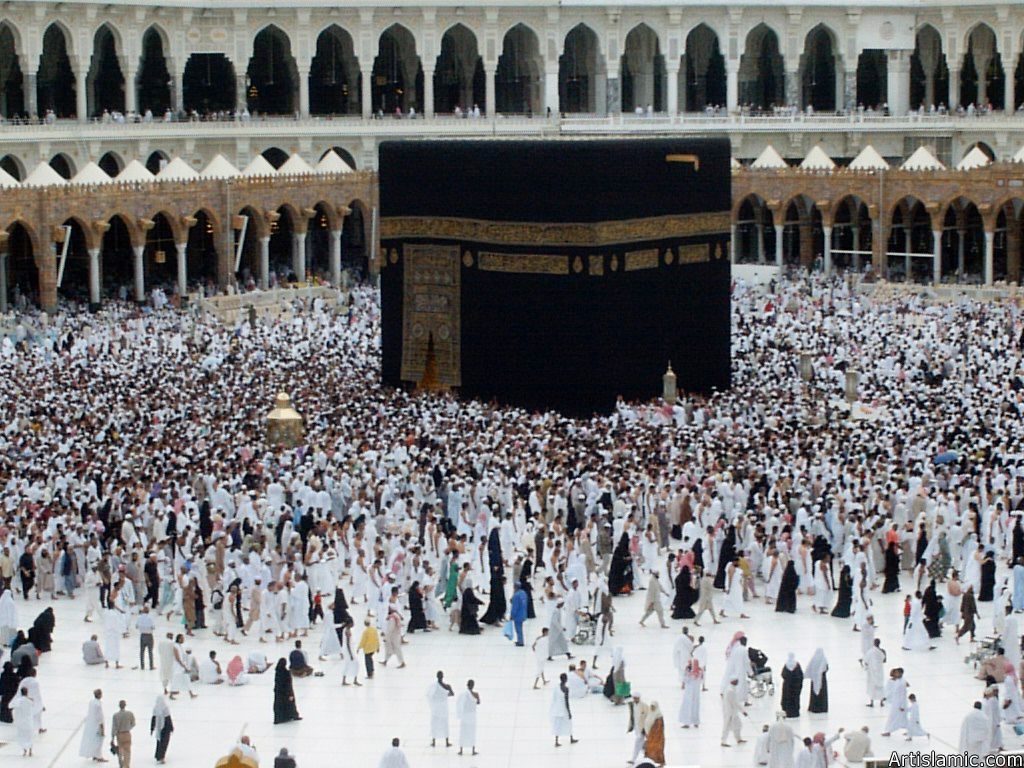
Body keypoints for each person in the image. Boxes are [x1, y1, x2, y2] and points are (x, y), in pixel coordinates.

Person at [427, 670, 455, 747]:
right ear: (442, 676)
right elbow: (452, 694)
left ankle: (434, 741)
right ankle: (446, 742)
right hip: (443, 708)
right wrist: (444, 695)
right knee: (444, 724)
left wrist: (441, 696)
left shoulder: (434, 686)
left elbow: (429, 695)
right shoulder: (447, 686)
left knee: (435, 724)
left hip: (436, 708)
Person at [550, 672, 577, 747]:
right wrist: (569, 712)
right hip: (563, 709)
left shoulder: (556, 687)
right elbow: (566, 701)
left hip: (557, 709)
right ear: (566, 680)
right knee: (569, 723)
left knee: (558, 725)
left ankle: (556, 741)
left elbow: (554, 698)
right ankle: (571, 738)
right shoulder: (566, 689)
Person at [79, 689, 106, 762]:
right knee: (99, 741)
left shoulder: (91, 702)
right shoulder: (98, 705)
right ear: (99, 695)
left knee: (93, 740)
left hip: (91, 725)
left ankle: (94, 754)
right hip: (97, 725)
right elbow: (99, 717)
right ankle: (99, 756)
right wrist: (102, 728)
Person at [273, 658, 301, 723]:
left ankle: (280, 718)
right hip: (286, 693)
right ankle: (291, 715)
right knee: (290, 705)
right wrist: (290, 694)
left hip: (279, 693)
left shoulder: (277, 672)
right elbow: (288, 685)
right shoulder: (286, 673)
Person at [456, 679, 480, 756]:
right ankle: (468, 750)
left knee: (467, 732)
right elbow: (478, 702)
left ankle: (464, 750)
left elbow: (459, 703)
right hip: (469, 715)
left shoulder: (466, 694)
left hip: (468, 715)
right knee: (467, 732)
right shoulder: (473, 694)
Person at [721, 678, 746, 747]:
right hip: (730, 713)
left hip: (733, 712)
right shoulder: (730, 691)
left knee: (738, 725)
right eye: (736, 680)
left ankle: (738, 739)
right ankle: (723, 741)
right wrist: (743, 711)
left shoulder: (731, 689)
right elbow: (735, 703)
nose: (738, 682)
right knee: (727, 727)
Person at [112, 699, 136, 768]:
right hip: (127, 733)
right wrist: (128, 728)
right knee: (127, 750)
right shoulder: (130, 714)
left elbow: (114, 727)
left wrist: (112, 737)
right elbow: (133, 723)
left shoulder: (115, 715)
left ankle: (121, 764)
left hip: (119, 734)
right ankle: (126, 765)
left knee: (120, 750)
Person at [678, 659, 702, 728]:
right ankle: (695, 722)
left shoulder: (689, 671)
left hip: (689, 693)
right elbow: (701, 680)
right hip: (694, 693)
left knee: (688, 706)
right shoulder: (699, 671)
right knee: (694, 707)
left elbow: (685, 679)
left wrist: (688, 675)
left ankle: (687, 723)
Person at [12, 685, 34, 756]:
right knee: (29, 736)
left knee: (22, 736)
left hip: (21, 721)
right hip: (28, 720)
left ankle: (24, 750)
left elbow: (10, 705)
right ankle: (30, 750)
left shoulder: (18, 701)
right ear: (27, 692)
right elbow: (33, 704)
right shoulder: (30, 700)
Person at [151, 695, 173, 764]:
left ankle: (158, 755)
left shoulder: (155, 708)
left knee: (159, 742)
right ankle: (162, 757)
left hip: (158, 728)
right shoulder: (165, 708)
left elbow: (153, 719)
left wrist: (152, 728)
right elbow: (168, 718)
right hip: (165, 729)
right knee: (164, 743)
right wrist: (171, 728)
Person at [805, 648, 828, 713]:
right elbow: (826, 668)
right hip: (822, 681)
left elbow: (809, 667)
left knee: (814, 694)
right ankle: (822, 708)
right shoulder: (824, 660)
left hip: (814, 679)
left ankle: (814, 707)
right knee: (822, 694)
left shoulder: (813, 659)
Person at [780, 653, 803, 718]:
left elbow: (783, 674)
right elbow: (800, 675)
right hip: (795, 686)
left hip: (787, 686)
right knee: (794, 699)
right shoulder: (797, 665)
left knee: (787, 698)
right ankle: (794, 713)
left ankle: (786, 711)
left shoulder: (786, 665)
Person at [643, 700, 666, 765]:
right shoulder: (650, 713)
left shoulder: (658, 715)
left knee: (657, 749)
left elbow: (658, 727)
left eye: (653, 706)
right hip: (650, 736)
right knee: (650, 748)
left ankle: (660, 762)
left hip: (657, 737)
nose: (652, 708)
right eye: (651, 706)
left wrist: (652, 734)